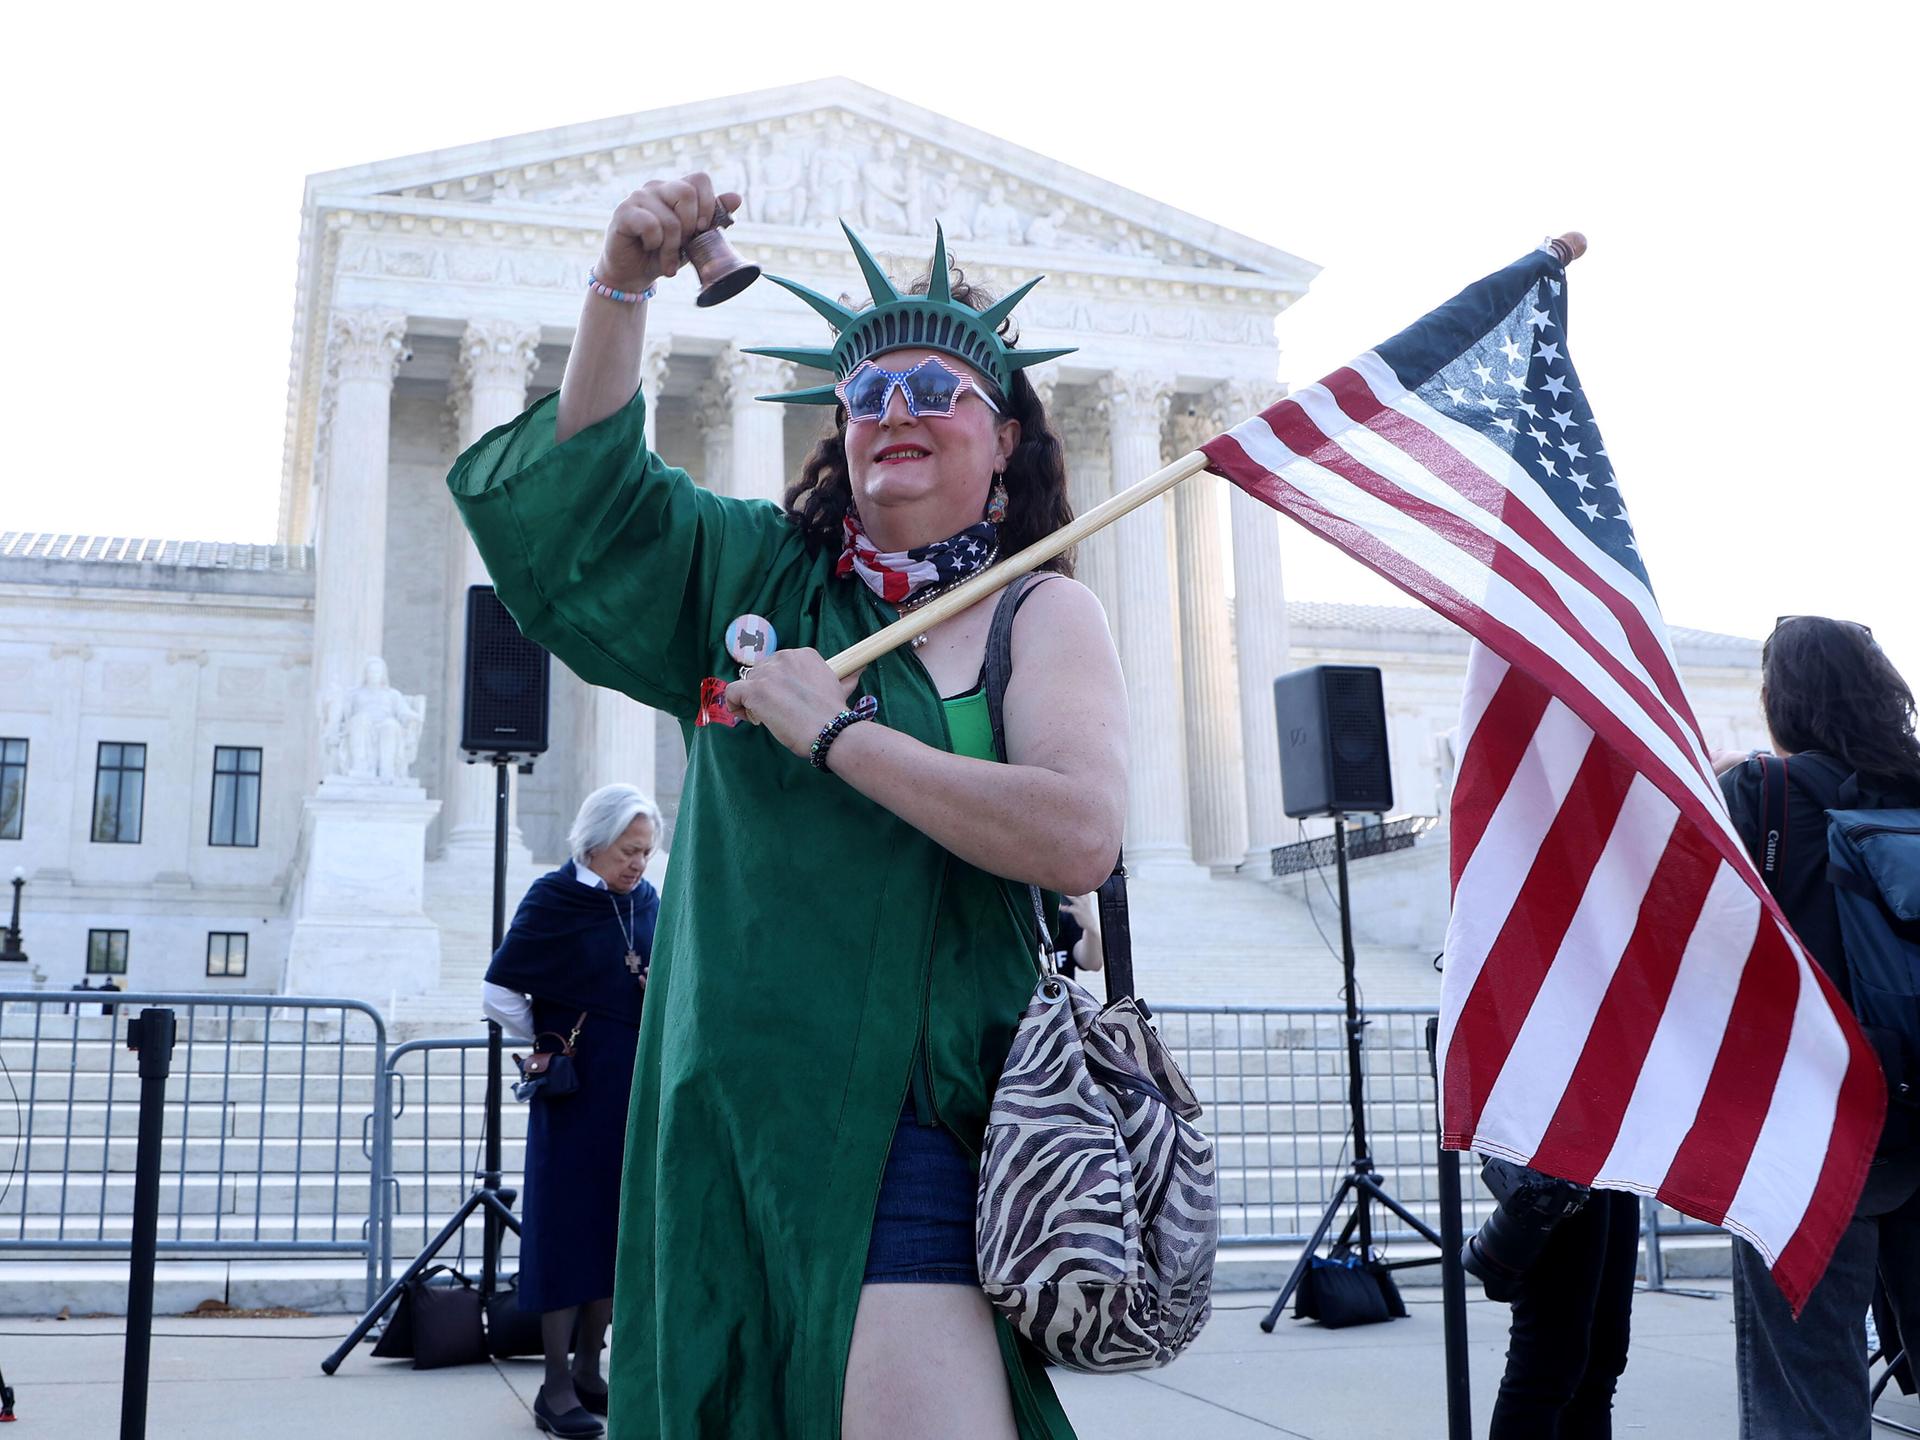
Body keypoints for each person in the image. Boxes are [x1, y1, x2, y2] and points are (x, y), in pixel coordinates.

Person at [448, 172, 1125, 1440]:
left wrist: (839, 735)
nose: (895, 414)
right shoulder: (754, 576)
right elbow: (583, 509)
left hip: (909, 1118)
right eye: (869, 396)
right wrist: (622, 284)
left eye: (936, 391)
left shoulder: (1043, 612)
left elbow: (1078, 834)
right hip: (726, 1121)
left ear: (1009, 435)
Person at [1712, 616, 1920, 1440]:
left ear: (1781, 699)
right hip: (1918, 1108)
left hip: (1810, 1129)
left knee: (1808, 1389)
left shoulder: (1762, 793)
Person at [482, 785, 661, 1439]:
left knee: (614, 1229)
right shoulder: (554, 899)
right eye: (628, 850)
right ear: (594, 842)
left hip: (632, 1089)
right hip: (574, 1090)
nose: (639, 863)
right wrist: (547, 1038)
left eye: (645, 851)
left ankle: (591, 1369)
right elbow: (498, 988)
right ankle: (554, 1384)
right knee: (563, 1232)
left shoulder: (644, 901)